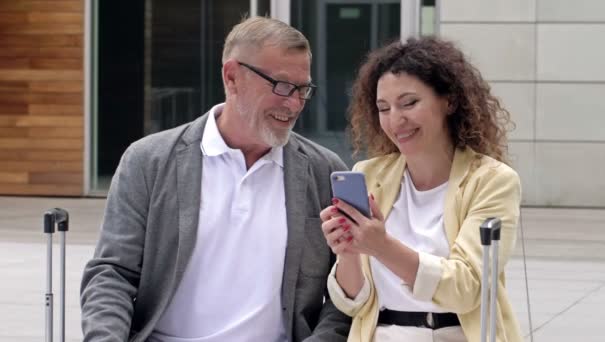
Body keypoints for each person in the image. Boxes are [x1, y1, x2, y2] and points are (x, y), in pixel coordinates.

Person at [81, 16, 351, 342]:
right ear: (232, 77)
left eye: (302, 89)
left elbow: (346, 289)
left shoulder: (323, 171)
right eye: (280, 86)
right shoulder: (148, 161)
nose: (293, 103)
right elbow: (112, 273)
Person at [319, 37, 523, 342]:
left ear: (449, 101)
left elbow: (466, 289)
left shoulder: (491, 180)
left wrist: (381, 246)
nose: (395, 120)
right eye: (383, 108)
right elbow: (354, 302)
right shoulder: (369, 175)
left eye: (409, 103)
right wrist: (348, 252)